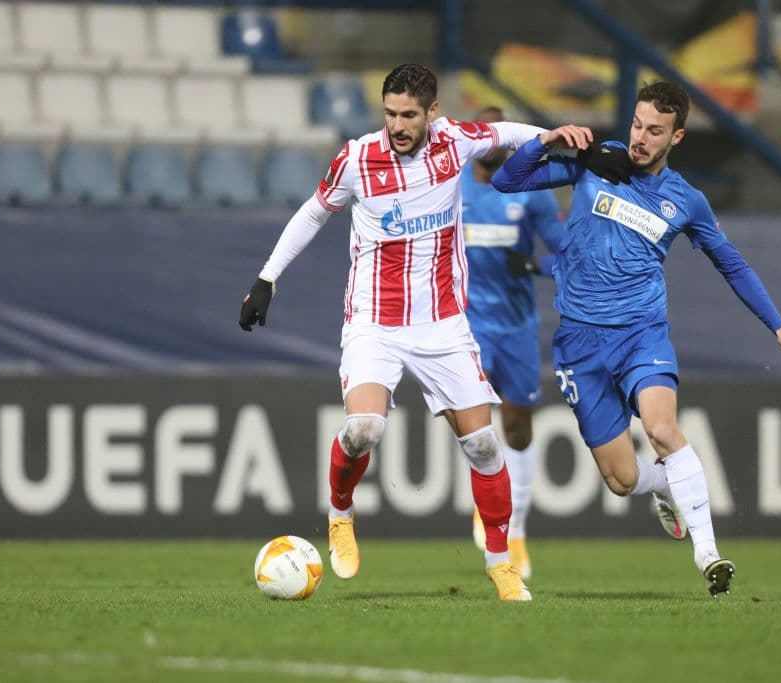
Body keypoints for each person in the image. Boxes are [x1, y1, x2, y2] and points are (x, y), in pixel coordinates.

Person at [238, 64, 620, 602]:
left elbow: (506, 133)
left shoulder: (454, 142)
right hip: (374, 321)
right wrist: (266, 279)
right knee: (362, 430)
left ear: (432, 113)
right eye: (390, 113)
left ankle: (500, 563)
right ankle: (340, 514)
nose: (397, 125)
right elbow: (313, 212)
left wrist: (551, 136)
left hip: (442, 324)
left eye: (409, 115)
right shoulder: (357, 158)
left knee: (486, 445)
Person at [491, 80, 781, 597]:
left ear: (678, 137)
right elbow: (507, 182)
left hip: (641, 333)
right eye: (637, 125)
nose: (641, 138)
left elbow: (730, 262)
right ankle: (667, 485)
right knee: (622, 480)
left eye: (655, 131)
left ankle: (708, 554)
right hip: (579, 343)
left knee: (665, 430)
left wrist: (778, 326)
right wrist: (547, 140)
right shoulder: (595, 162)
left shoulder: (686, 201)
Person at [462, 106, 566, 580]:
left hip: (518, 326)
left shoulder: (531, 190)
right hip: (465, 326)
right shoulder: (450, 184)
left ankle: (518, 526)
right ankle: (494, 514)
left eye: (497, 142)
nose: (490, 149)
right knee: (475, 424)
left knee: (518, 428)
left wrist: (535, 267)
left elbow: (567, 251)